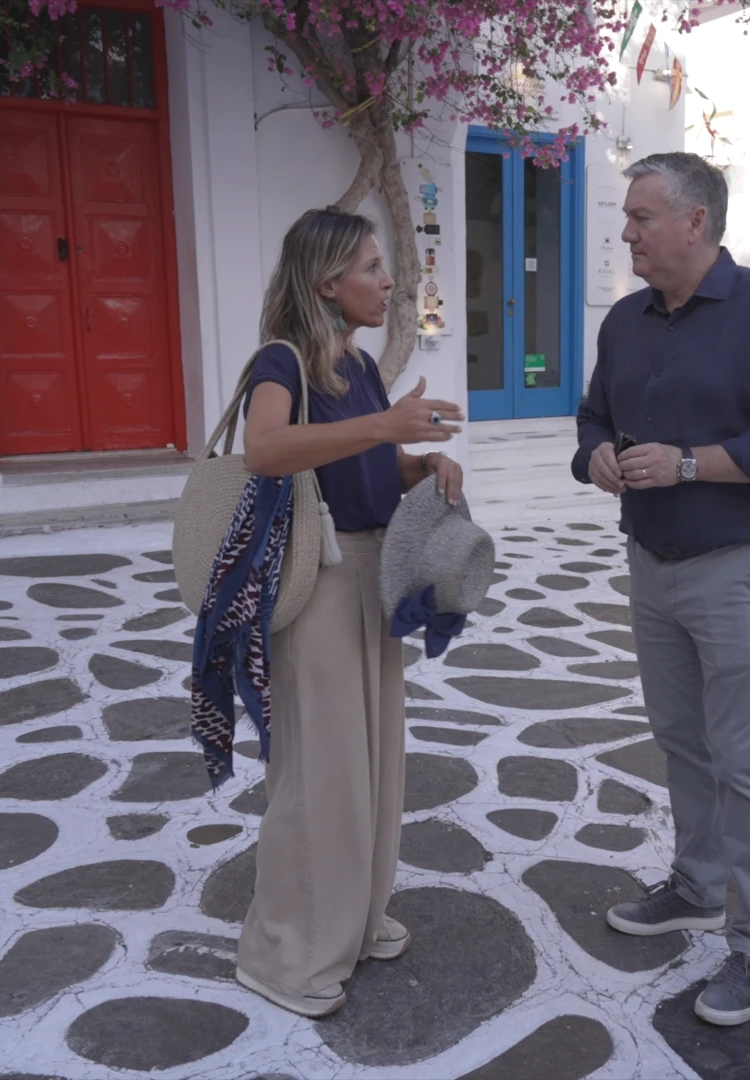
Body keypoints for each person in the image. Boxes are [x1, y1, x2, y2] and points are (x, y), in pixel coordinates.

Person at [572, 153, 750, 1026]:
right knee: (682, 738)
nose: (626, 232)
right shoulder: (627, 320)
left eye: (642, 216)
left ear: (696, 222)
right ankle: (695, 886)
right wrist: (596, 455)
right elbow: (593, 417)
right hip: (652, 560)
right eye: (627, 217)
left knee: (744, 756)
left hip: (741, 561)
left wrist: (691, 464)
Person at [234, 207, 466, 1018]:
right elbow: (264, 449)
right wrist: (385, 424)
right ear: (328, 283)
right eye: (372, 267)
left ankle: (354, 924)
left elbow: (374, 462)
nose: (388, 280)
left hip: (373, 573)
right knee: (320, 773)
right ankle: (284, 956)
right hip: (318, 582)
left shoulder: (359, 366)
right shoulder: (282, 360)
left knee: (370, 763)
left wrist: (423, 463)